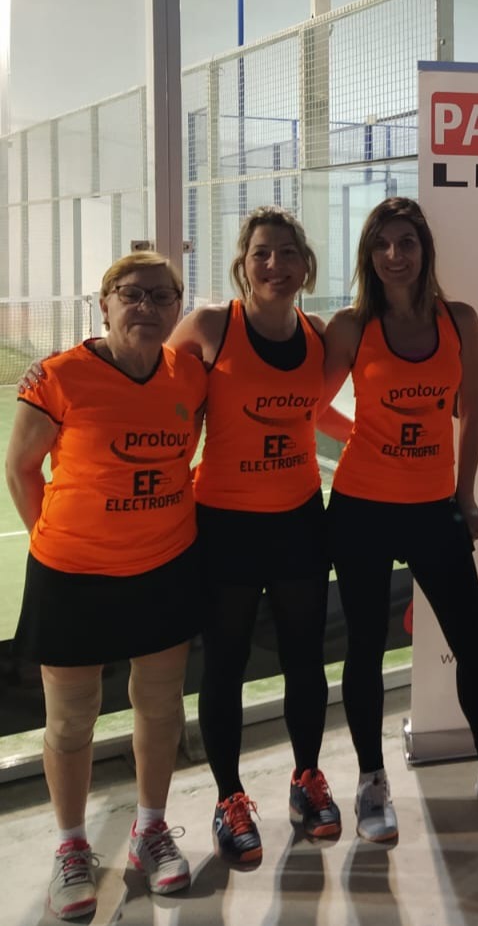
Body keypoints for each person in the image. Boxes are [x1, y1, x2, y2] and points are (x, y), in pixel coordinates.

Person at [321, 196, 478, 840]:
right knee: (364, 648)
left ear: (425, 250)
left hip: (432, 507)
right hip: (361, 508)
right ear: (368, 254)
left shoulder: (459, 319)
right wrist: (363, 436)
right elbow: (309, 407)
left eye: (407, 242)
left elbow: (473, 410)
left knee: (473, 643)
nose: (395, 255)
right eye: (382, 244)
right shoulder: (351, 326)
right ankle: (371, 782)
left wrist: (464, 496)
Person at [6, 252, 206, 919]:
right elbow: (21, 469)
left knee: (160, 707)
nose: (147, 306)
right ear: (105, 304)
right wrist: (54, 540)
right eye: (132, 293)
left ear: (177, 307)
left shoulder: (189, 375)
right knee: (70, 720)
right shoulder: (60, 377)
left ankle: (151, 830)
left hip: (165, 564)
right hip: (72, 576)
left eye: (162, 295)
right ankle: (71, 847)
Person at [170, 207, 349, 862]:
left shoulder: (320, 335)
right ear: (242, 264)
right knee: (226, 663)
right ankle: (230, 798)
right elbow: (165, 406)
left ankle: (308, 779)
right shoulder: (211, 326)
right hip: (225, 524)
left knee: (306, 658)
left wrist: (369, 439)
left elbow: (315, 411)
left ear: (306, 265)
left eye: (288, 253)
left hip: (299, 519)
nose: (275, 265)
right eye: (261, 254)